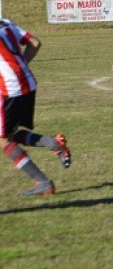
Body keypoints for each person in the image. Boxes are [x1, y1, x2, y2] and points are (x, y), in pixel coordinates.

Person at [0, 19, 71, 196]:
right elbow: (34, 43)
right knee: (10, 134)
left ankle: (43, 182)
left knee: (3, 140)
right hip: (27, 82)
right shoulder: (5, 23)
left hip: (9, 89)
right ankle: (53, 143)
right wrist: (19, 68)